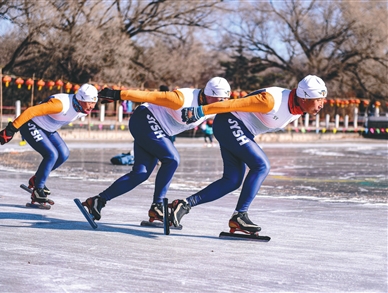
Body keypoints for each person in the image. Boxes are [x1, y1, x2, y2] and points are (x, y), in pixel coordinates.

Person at [170, 75, 327, 234]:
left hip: (235, 129)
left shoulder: (297, 108)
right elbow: (231, 104)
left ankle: (183, 204)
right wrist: (200, 111)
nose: (322, 104)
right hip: (230, 123)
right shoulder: (270, 100)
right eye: (319, 99)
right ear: (304, 98)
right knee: (261, 166)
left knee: (232, 180)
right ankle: (240, 216)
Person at [80, 77, 231, 223]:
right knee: (172, 159)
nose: (223, 104)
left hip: (157, 130)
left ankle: (97, 201)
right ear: (209, 95)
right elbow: (148, 95)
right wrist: (117, 94)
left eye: (226, 100)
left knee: (140, 174)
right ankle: (157, 205)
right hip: (145, 119)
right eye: (221, 100)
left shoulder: (214, 105)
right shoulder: (182, 98)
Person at [0, 84, 98, 204]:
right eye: (89, 103)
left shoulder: (82, 108)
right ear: (80, 99)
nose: (92, 106)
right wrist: (11, 129)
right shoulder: (60, 105)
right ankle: (38, 189)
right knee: (51, 154)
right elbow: (31, 111)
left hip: (48, 129)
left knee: (64, 154)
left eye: (94, 102)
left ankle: (37, 179)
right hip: (31, 124)